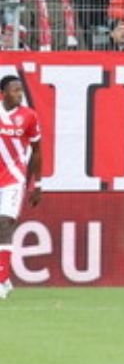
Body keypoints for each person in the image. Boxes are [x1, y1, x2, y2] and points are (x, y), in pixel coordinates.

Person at [0, 75, 44, 300]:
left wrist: (37, 183)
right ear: (3, 93)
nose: (20, 94)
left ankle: (0, 280)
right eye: (15, 90)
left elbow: (37, 150)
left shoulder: (29, 116)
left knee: (5, 224)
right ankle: (5, 277)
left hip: (14, 179)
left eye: (21, 90)